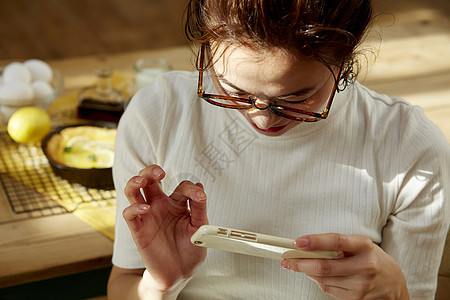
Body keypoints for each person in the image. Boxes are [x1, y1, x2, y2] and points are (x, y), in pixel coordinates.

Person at [107, 0, 449, 299]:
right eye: (232, 91)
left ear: (346, 60)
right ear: (206, 46)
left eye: (297, 98)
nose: (262, 118)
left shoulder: (409, 149)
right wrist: (162, 284)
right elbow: (125, 285)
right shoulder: (159, 113)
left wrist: (394, 293)